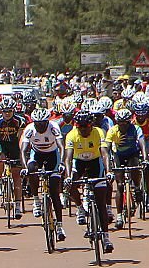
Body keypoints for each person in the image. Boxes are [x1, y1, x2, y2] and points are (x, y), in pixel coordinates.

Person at [63, 111, 114, 254]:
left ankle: (106, 237)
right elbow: (68, 158)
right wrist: (67, 176)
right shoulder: (71, 135)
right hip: (78, 163)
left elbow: (105, 153)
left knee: (101, 202)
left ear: (91, 125)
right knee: (70, 184)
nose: (84, 130)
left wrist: (109, 172)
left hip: (95, 164)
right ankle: (80, 207)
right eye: (80, 127)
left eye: (86, 127)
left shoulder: (99, 132)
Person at [19, 108, 66, 242]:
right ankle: (36, 201)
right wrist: (24, 168)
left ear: (47, 122)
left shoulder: (54, 127)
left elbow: (61, 147)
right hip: (37, 154)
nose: (40, 126)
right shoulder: (29, 129)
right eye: (37, 124)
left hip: (53, 155)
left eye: (42, 124)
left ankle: (59, 226)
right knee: (31, 169)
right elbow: (23, 151)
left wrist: (62, 163)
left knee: (54, 191)